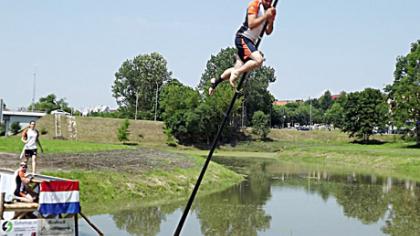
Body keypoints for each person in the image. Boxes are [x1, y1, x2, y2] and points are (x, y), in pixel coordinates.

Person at [209, 0, 277, 95]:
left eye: (271, 1)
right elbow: (251, 24)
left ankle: (215, 83)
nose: (269, 2)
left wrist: (271, 20)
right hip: (243, 38)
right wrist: (265, 16)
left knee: (236, 69)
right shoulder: (255, 4)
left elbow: (268, 31)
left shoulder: (270, 10)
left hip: (251, 42)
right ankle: (237, 72)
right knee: (258, 60)